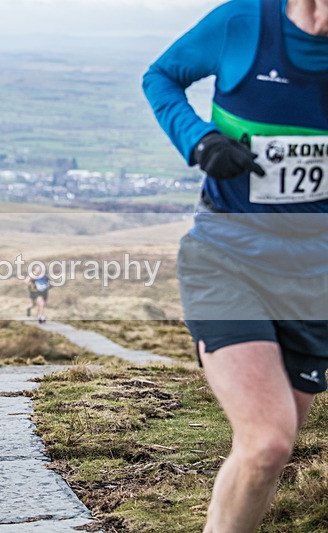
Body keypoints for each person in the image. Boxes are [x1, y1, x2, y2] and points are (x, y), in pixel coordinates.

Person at [143, 1, 328, 531]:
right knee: (267, 441)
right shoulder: (245, 22)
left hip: (313, 281)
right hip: (227, 259)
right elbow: (161, 77)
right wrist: (198, 140)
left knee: (272, 450)